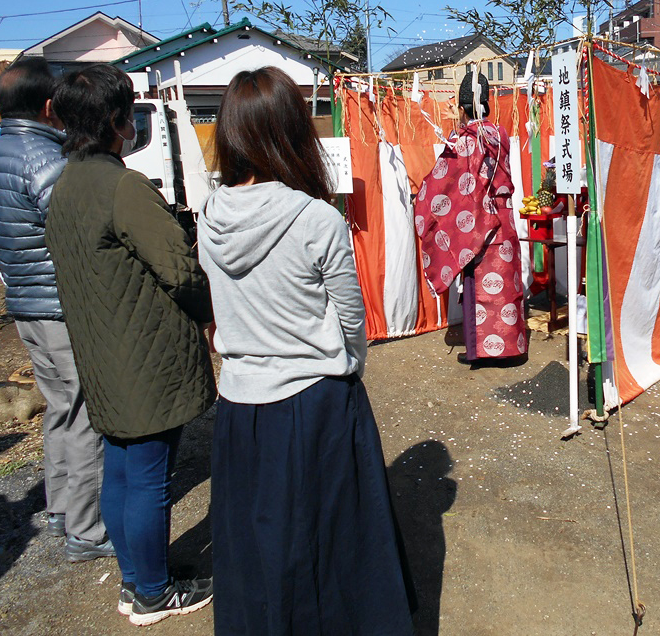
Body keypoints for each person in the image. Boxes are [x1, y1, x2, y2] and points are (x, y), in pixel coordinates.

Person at [197, 66, 415, 636]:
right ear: (290, 132)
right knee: (334, 553)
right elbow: (350, 322)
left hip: (238, 408)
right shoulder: (315, 217)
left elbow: (221, 307)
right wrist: (347, 371)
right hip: (316, 403)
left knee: (256, 552)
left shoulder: (209, 217)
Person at [45, 64, 216, 626]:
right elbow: (180, 269)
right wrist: (209, 312)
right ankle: (152, 590)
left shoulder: (66, 183)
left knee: (120, 468)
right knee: (147, 475)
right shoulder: (123, 186)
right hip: (144, 354)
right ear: (119, 120)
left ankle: (134, 577)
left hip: (101, 350)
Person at [0, 57, 112, 562]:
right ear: (50, 106)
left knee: (58, 405)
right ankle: (87, 529)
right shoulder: (48, 160)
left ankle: (59, 506)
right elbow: (73, 238)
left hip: (25, 305)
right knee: (84, 415)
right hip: (61, 305)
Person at [414, 70, 527, 365]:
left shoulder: (466, 138)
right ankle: (512, 348)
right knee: (506, 287)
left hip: (481, 223)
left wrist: (422, 200)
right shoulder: (499, 134)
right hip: (506, 220)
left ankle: (482, 351)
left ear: (463, 109)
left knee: (483, 291)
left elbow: (448, 177)